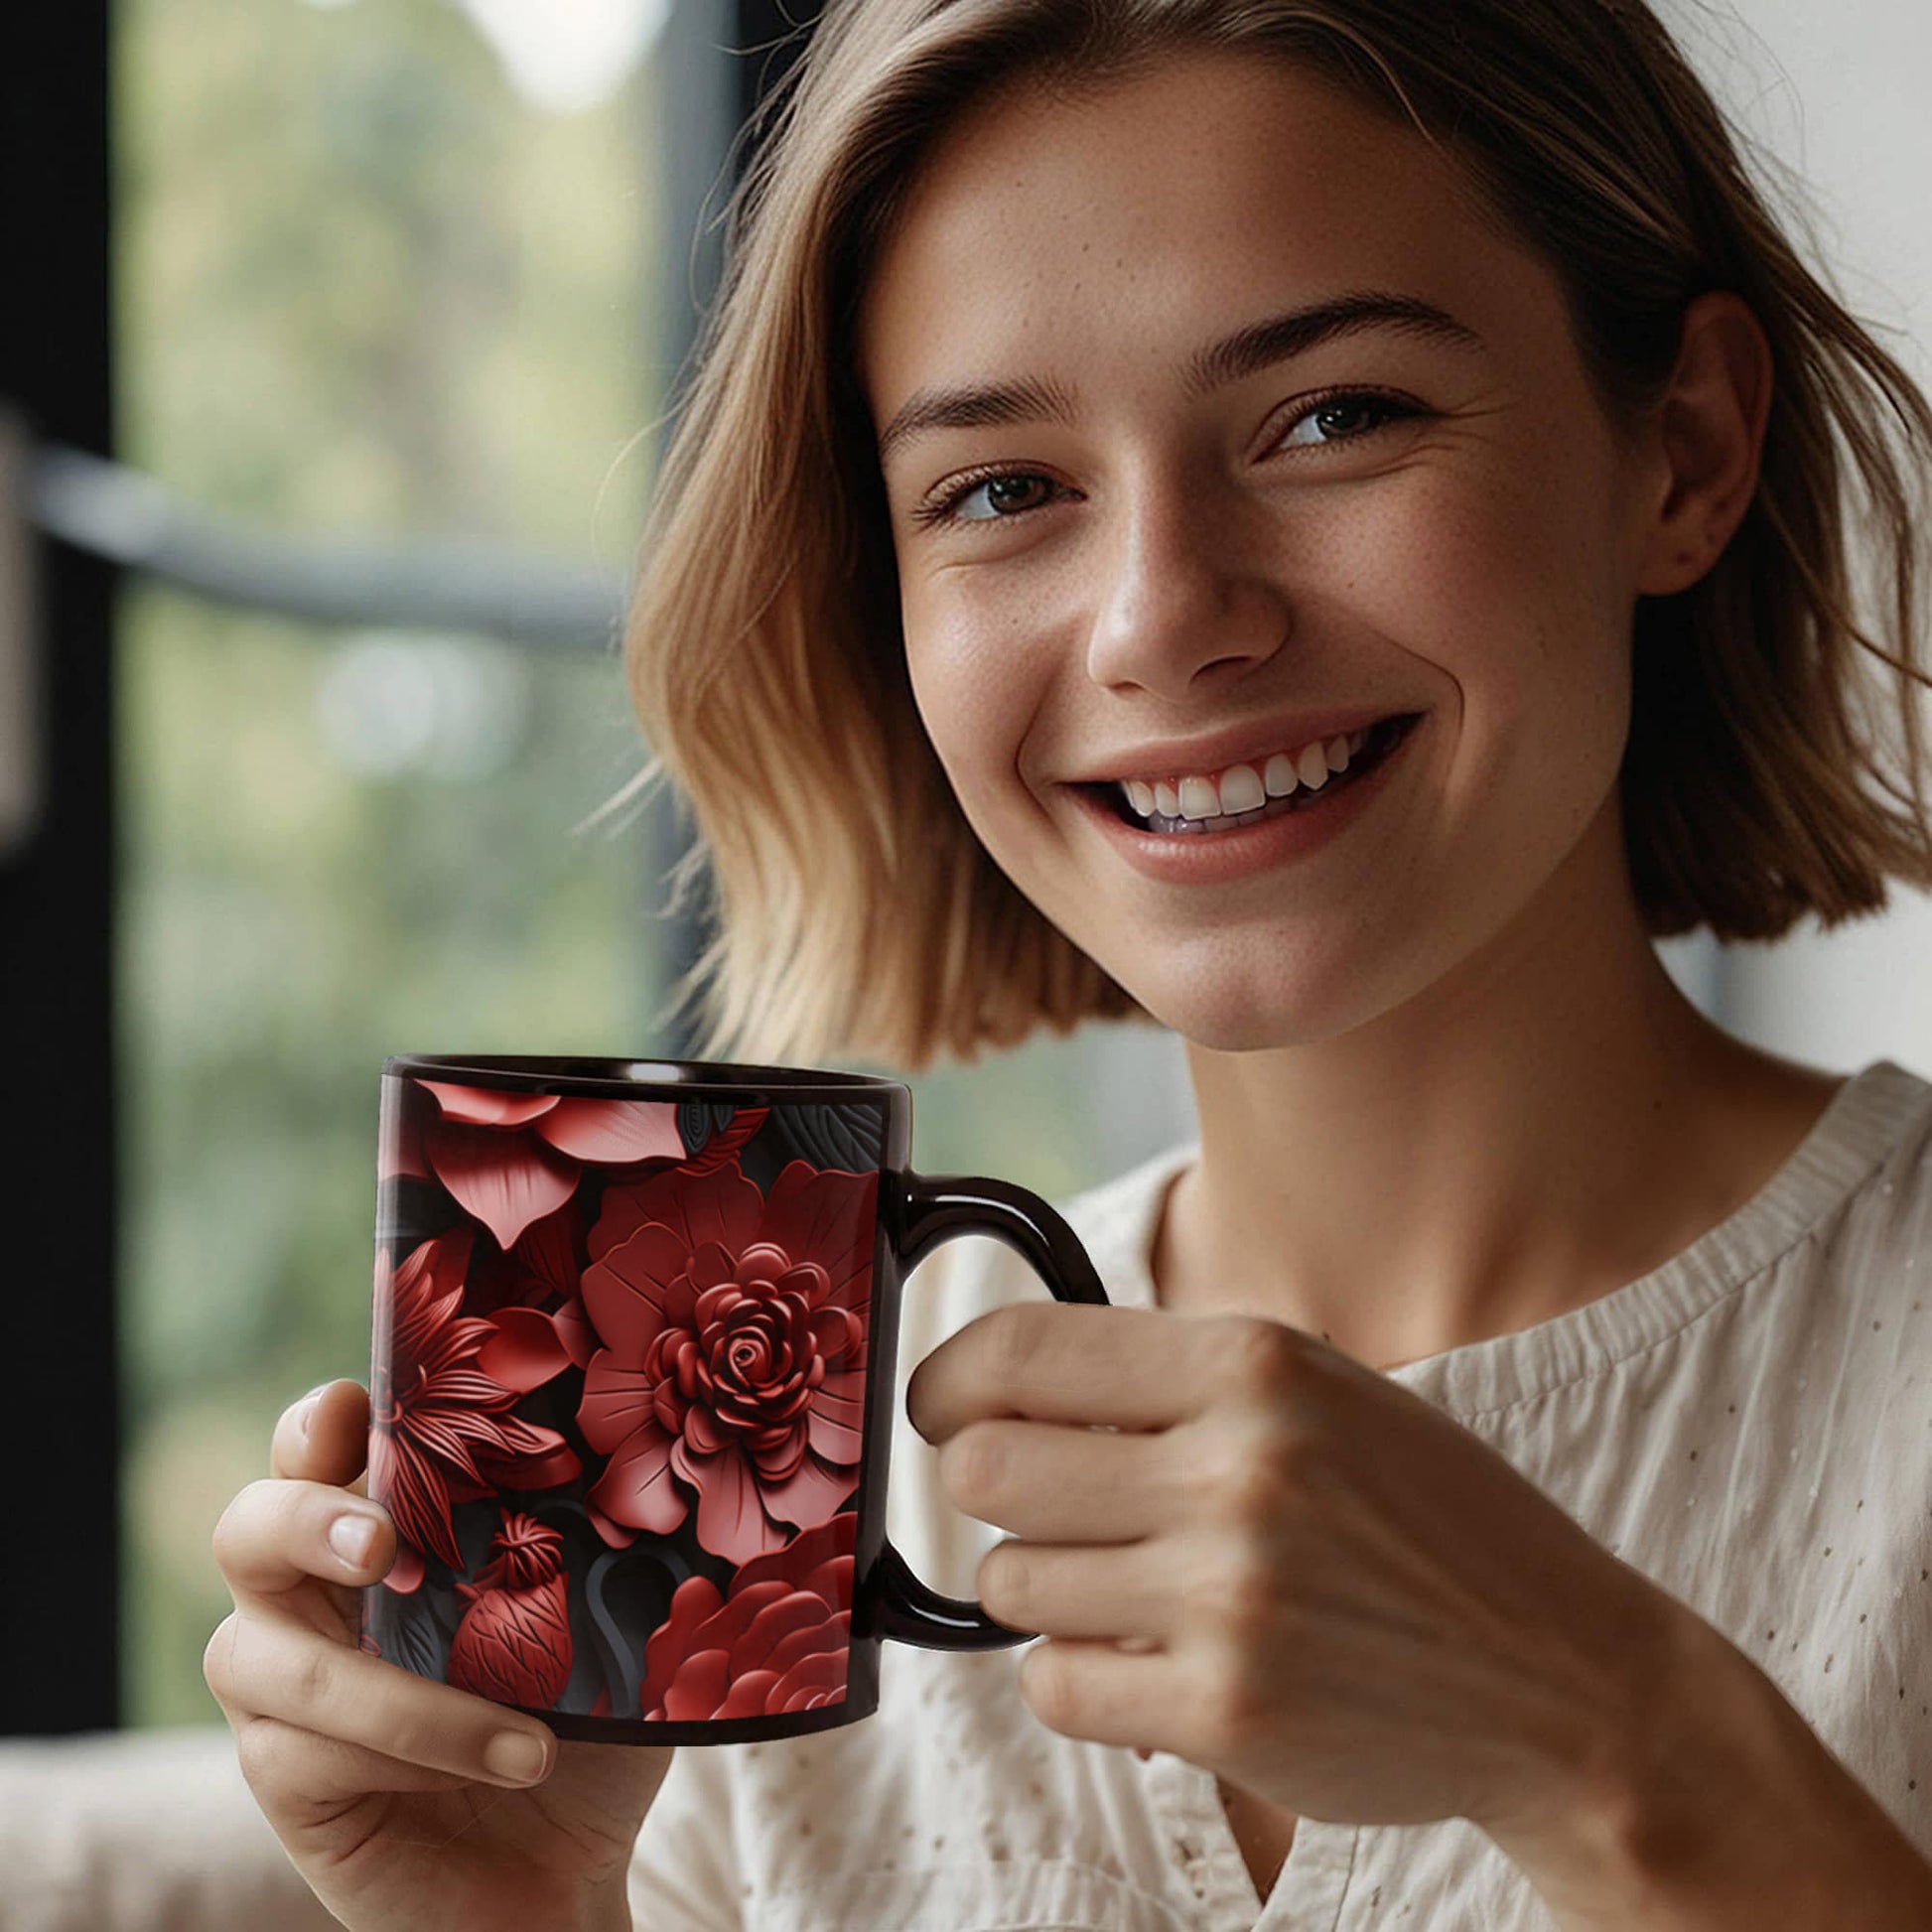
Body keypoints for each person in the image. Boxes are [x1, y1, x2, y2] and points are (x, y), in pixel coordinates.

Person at [205, 1, 1932, 1926]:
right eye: (1003, 488)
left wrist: (1620, 1747)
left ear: (1683, 448)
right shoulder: (786, 1484)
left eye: (1331, 414)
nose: (1160, 618)